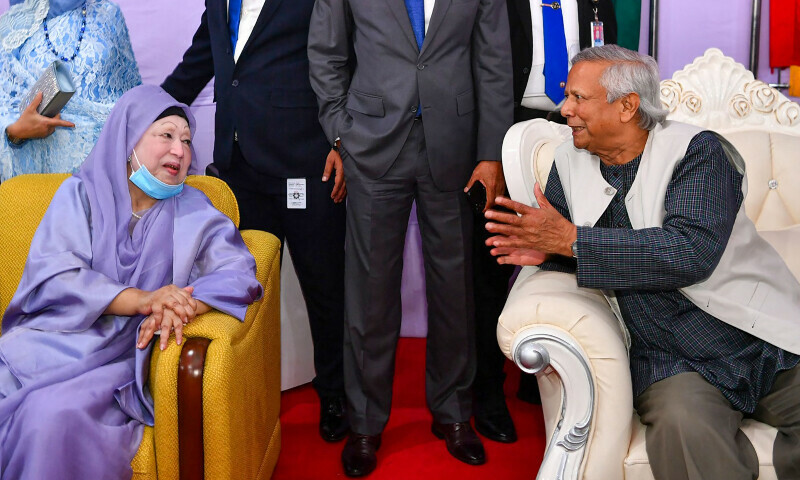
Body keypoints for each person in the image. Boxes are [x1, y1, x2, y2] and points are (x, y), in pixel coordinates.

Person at [485, 44, 800, 480]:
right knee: (686, 433)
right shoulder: (566, 161)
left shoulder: (698, 152)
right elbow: (575, 253)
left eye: (579, 97)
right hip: (670, 358)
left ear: (627, 106)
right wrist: (552, 254)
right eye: (567, 95)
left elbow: (689, 252)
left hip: (760, 336)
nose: (565, 108)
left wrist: (571, 241)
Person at [0, 85, 263, 480]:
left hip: (122, 356)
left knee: (48, 418)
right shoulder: (81, 194)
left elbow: (238, 273)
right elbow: (55, 274)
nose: (180, 150)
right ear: (128, 139)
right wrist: (142, 299)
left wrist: (184, 303)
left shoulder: (194, 210)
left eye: (187, 140)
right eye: (166, 135)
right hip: (56, 338)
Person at [308, 0, 513, 476]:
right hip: (372, 146)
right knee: (369, 291)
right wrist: (342, 133)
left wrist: (489, 151)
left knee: (454, 288)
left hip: (456, 148)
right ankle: (364, 423)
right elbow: (326, 54)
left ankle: (454, 413)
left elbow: (495, 61)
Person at [161, 0, 349, 442]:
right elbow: (201, 59)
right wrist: (150, 112)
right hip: (238, 166)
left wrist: (344, 140)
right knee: (245, 289)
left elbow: (345, 59)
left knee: (325, 286)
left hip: (305, 160)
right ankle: (248, 392)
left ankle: (337, 394)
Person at [0, 0, 141, 181]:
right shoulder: (14, 24)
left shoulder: (108, 14)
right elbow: (4, 107)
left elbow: (133, 97)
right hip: (40, 172)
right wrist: (15, 131)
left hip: (105, 169)